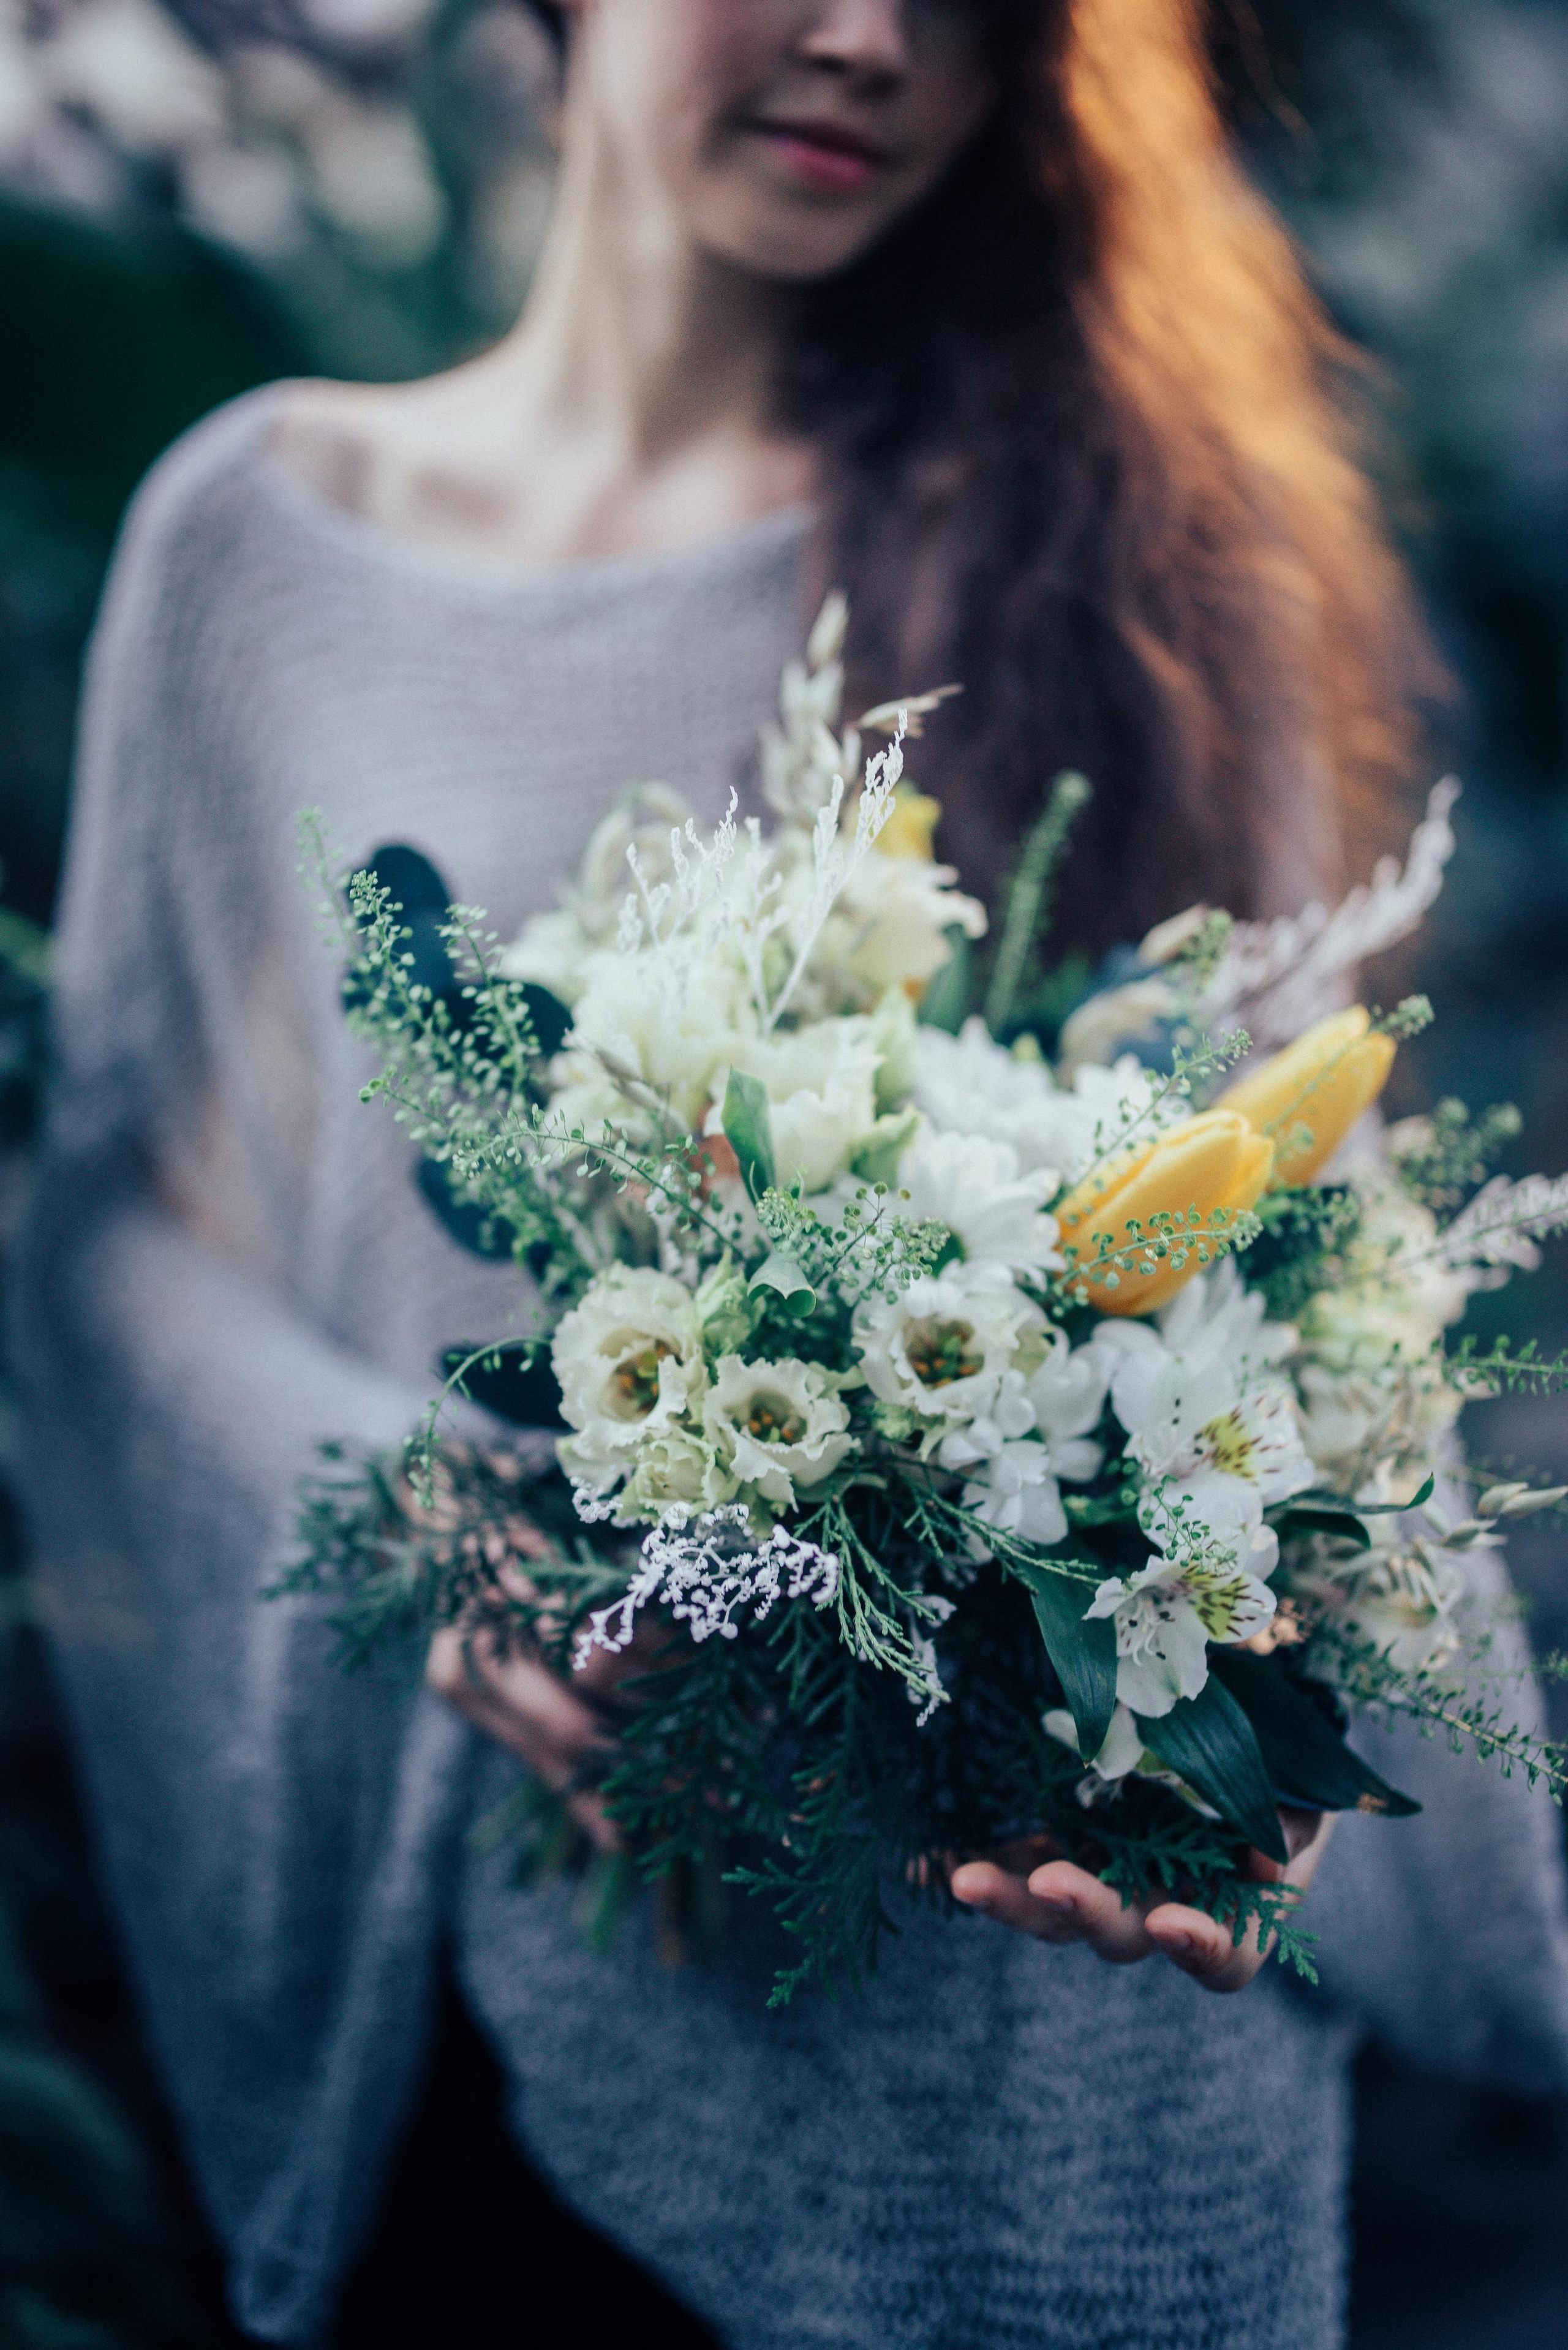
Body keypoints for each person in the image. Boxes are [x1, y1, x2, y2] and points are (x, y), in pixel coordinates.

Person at [17, 2, 1568, 2344]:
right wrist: (447, 1532)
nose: (870, 40)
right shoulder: (262, 539)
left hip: (1041, 2031)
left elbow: (1293, 1262)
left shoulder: (1138, 543)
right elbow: (118, 1222)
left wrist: (1275, 1674)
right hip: (537, 1981)